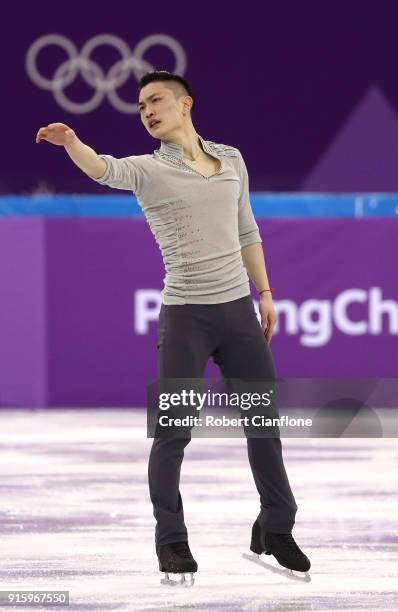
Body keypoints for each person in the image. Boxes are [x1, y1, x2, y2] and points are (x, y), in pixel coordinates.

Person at [36, 70, 311, 585]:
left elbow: (247, 227)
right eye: (140, 107)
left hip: (238, 315)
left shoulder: (230, 159)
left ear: (186, 104)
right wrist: (73, 142)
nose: (147, 111)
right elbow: (102, 169)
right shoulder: (146, 170)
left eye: (155, 100)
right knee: (173, 432)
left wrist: (265, 292)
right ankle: (171, 541)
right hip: (186, 316)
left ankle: (276, 527)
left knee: (264, 426)